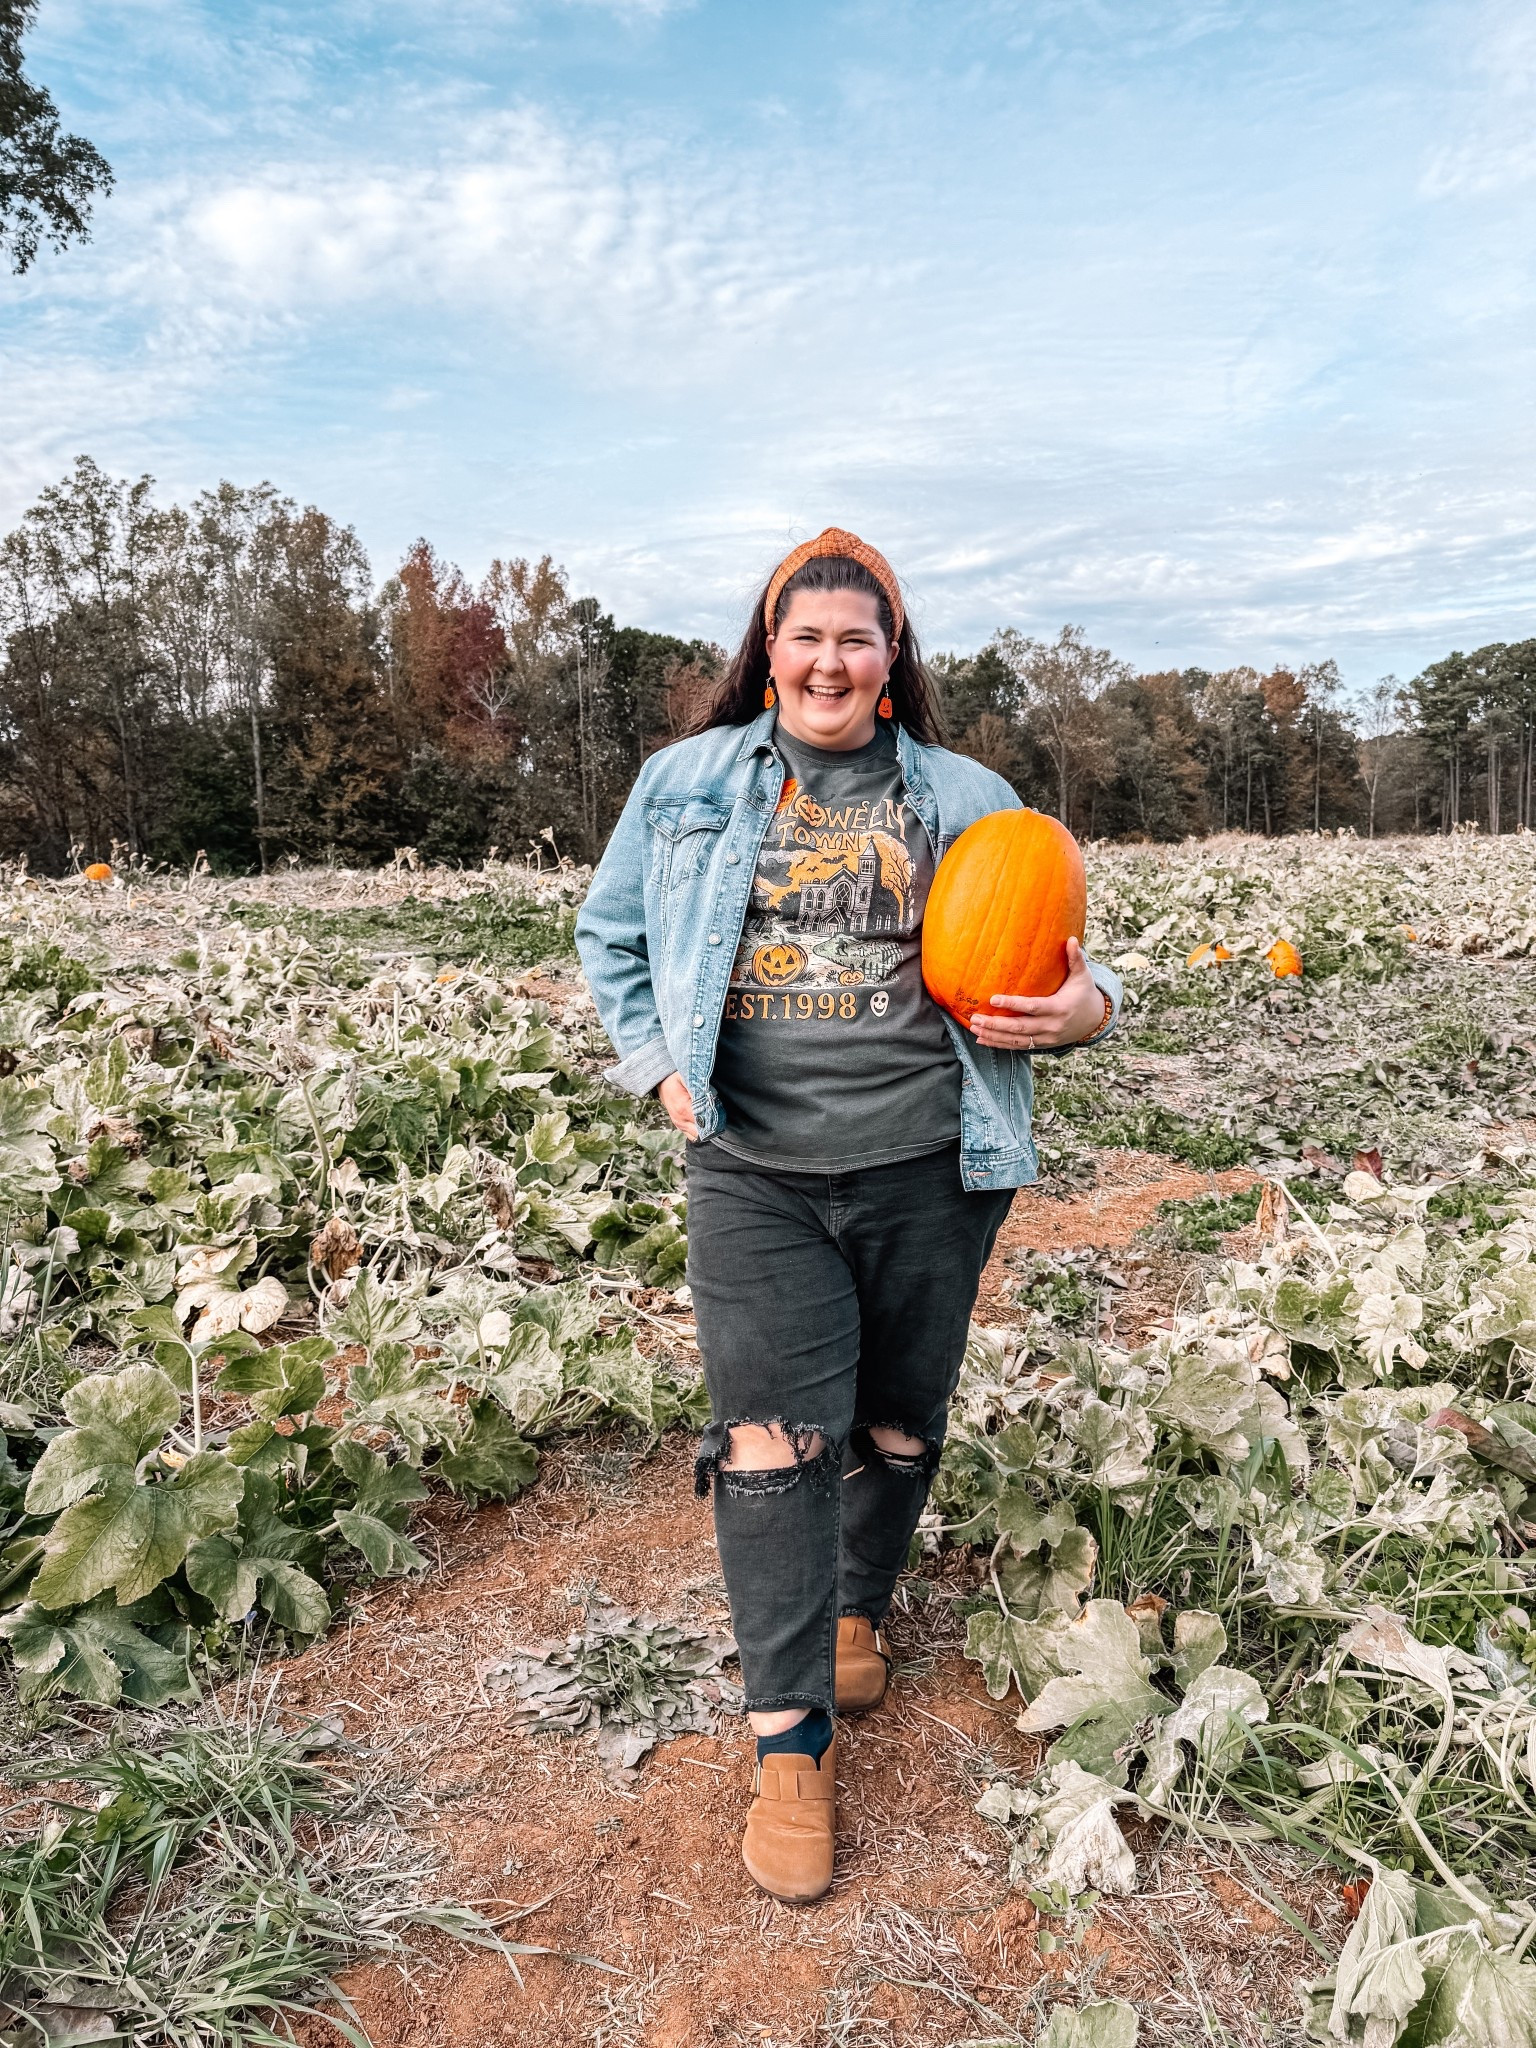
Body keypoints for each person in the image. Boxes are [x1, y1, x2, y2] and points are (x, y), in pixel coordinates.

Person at [576, 529, 1120, 1903]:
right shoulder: (684, 784)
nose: (827, 660)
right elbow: (613, 936)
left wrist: (1087, 1007)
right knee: (772, 1441)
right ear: (768, 651)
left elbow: (1064, 957)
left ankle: (862, 1603)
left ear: (892, 660)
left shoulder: (972, 794)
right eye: (802, 636)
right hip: (752, 1168)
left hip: (930, 1164)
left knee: (894, 1421)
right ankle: (790, 1742)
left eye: (855, 639)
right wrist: (654, 1071)